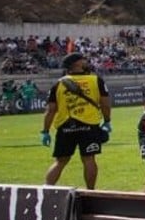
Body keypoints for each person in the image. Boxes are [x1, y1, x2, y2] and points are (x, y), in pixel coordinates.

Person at [40, 52, 112, 189]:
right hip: (89, 126)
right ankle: (91, 192)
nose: (86, 61)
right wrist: (107, 121)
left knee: (60, 161)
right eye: (83, 59)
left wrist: (45, 131)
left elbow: (50, 110)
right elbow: (105, 104)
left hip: (65, 126)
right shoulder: (95, 80)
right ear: (77, 63)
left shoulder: (58, 84)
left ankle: (46, 190)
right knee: (89, 159)